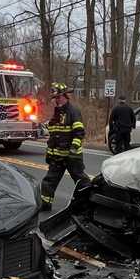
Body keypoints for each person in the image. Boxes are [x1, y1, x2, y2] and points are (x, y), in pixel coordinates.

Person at [40, 82, 90, 212]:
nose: (56, 100)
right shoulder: (57, 113)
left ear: (65, 96)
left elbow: (79, 132)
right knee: (49, 181)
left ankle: (89, 204)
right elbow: (54, 132)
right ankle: (45, 204)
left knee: (81, 181)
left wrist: (73, 148)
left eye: (58, 97)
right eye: (54, 98)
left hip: (71, 156)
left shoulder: (73, 111)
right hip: (57, 156)